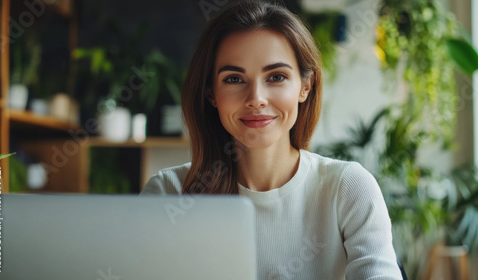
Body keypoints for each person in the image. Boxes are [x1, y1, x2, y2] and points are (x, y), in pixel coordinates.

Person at [141, 1, 403, 279]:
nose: (256, 99)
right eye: (234, 79)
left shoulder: (347, 189)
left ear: (305, 86)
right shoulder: (168, 194)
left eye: (276, 77)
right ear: (210, 94)